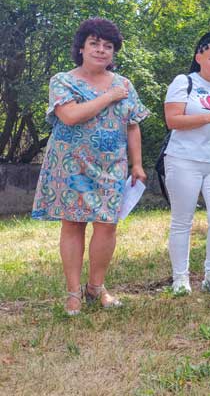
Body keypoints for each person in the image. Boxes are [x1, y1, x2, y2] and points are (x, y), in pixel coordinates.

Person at [32, 18, 148, 315]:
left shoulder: (124, 85)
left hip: (112, 166)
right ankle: (73, 293)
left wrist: (137, 164)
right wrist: (108, 97)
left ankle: (96, 288)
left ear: (113, 52)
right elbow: (70, 116)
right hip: (70, 165)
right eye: (94, 43)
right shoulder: (63, 81)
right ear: (81, 48)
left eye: (108, 46)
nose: (101, 50)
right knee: (73, 224)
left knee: (108, 225)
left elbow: (133, 125)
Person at [163, 33, 210, 295]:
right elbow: (173, 120)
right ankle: (180, 279)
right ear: (199, 58)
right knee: (182, 220)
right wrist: (209, 118)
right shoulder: (184, 82)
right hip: (183, 159)